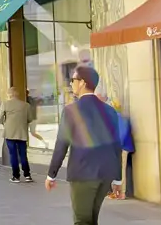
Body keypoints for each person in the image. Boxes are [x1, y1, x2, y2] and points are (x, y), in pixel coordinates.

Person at [46, 66, 122, 225]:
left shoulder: (71, 110)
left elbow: (62, 143)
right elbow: (116, 145)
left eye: (73, 80)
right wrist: (117, 179)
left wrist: (51, 174)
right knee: (92, 219)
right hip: (106, 173)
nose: (71, 83)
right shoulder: (110, 111)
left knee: (82, 221)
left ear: (82, 83)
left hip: (83, 173)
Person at [0, 87, 33, 183]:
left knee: (13, 154)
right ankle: (27, 175)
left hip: (10, 133)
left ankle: (16, 176)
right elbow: (30, 118)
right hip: (22, 132)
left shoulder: (5, 104)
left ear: (9, 95)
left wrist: (6, 123)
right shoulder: (26, 105)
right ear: (17, 95)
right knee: (23, 154)